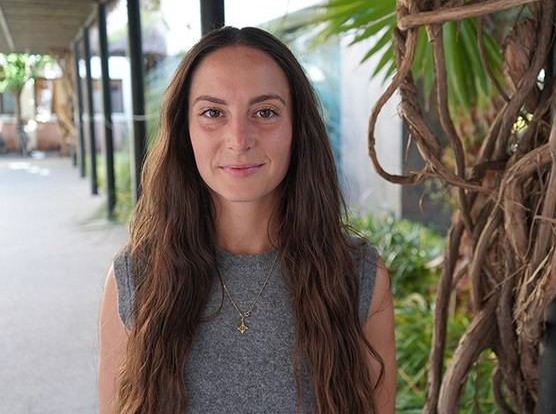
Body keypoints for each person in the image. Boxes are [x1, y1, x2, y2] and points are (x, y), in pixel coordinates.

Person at [98, 26, 396, 414]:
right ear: (185, 131)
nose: (239, 139)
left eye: (265, 112)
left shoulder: (357, 275)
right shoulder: (136, 277)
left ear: (298, 128)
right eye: (213, 113)